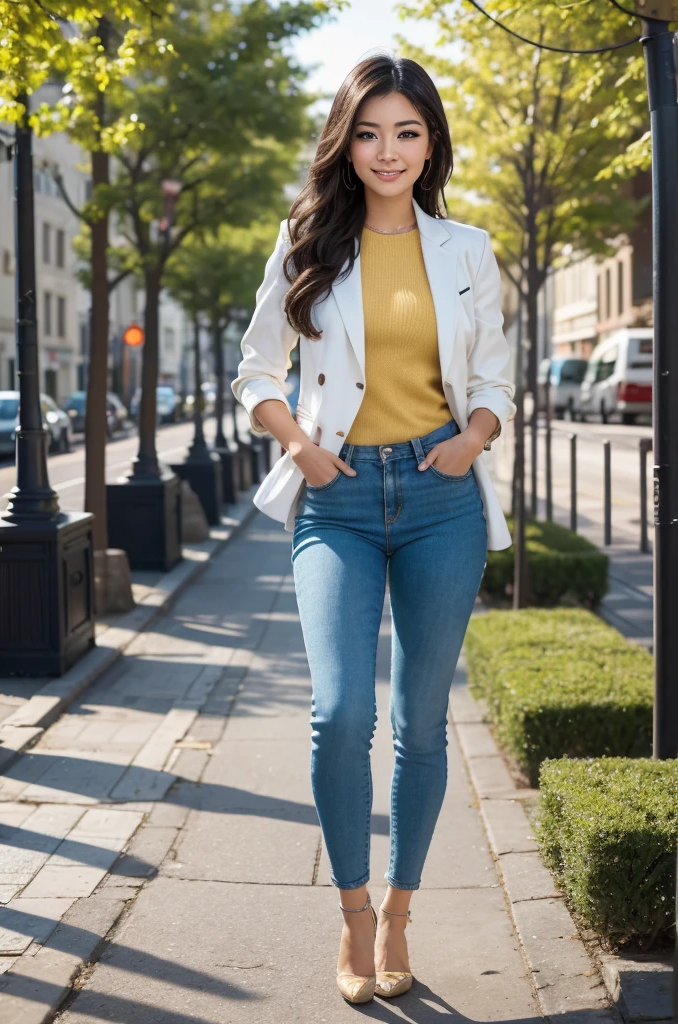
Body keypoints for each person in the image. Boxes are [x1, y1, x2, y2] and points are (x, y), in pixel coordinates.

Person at [232, 52, 516, 1005]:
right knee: (341, 711)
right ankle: (353, 912)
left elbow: (495, 379)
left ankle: (402, 909)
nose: (386, 150)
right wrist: (304, 452)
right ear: (345, 143)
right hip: (340, 500)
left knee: (420, 725)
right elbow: (256, 372)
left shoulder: (466, 247)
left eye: (406, 131)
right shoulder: (307, 238)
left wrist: (472, 437)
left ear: (429, 141)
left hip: (441, 495)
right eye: (368, 131)